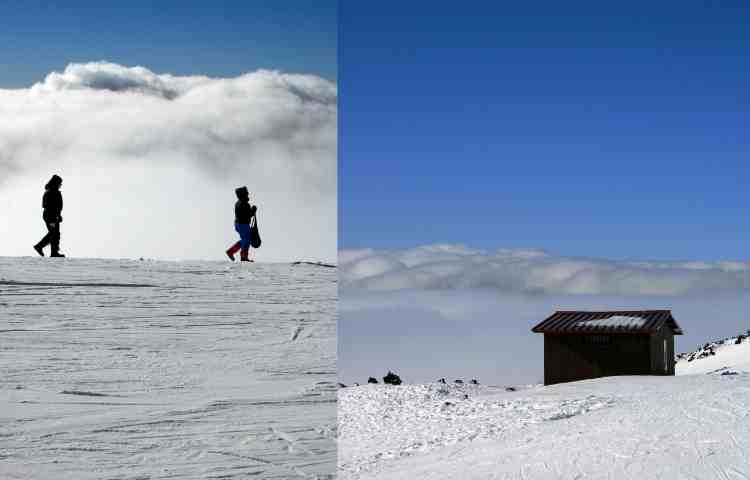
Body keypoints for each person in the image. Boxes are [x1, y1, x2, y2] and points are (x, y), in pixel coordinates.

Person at [33, 174, 65, 258]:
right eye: (60, 183)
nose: (60, 185)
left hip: (53, 216)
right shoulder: (50, 192)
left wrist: (58, 215)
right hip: (50, 216)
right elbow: (47, 205)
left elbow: (57, 206)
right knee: (53, 233)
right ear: (55, 183)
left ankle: (54, 252)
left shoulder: (53, 191)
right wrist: (53, 218)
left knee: (55, 233)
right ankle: (40, 247)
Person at [225, 186, 257, 262]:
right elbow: (248, 215)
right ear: (243, 194)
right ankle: (243, 257)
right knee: (246, 240)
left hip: (238, 224)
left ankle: (231, 251)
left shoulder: (238, 203)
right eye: (246, 193)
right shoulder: (244, 204)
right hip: (243, 225)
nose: (248, 194)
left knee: (244, 240)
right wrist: (253, 210)